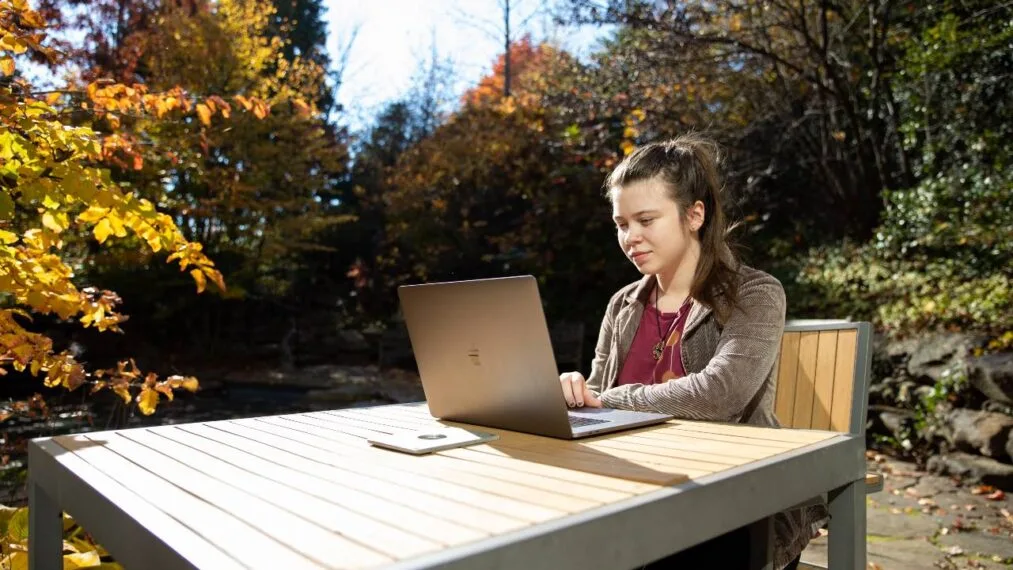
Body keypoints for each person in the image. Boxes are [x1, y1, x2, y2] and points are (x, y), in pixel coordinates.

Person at [557, 134, 823, 570]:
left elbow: (721, 394)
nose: (631, 238)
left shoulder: (753, 293)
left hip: (736, 500)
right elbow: (598, 397)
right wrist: (574, 392)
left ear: (694, 214)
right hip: (637, 490)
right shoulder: (623, 304)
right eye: (622, 224)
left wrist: (607, 398)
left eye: (646, 219)